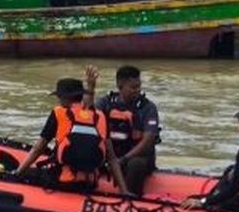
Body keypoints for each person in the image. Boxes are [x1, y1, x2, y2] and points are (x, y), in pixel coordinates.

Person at [15, 66, 129, 193]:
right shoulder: (100, 116)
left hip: (63, 181)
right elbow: (112, 158)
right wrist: (124, 192)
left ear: (65, 98)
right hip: (90, 183)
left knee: (29, 174)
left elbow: (38, 148)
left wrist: (18, 173)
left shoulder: (59, 113)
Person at [95, 65, 160, 197]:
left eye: (139, 86)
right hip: (111, 154)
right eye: (133, 87)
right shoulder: (105, 103)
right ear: (120, 86)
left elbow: (148, 140)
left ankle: (132, 198)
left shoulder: (148, 108)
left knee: (136, 164)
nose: (137, 90)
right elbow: (89, 117)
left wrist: (123, 160)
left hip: (135, 156)